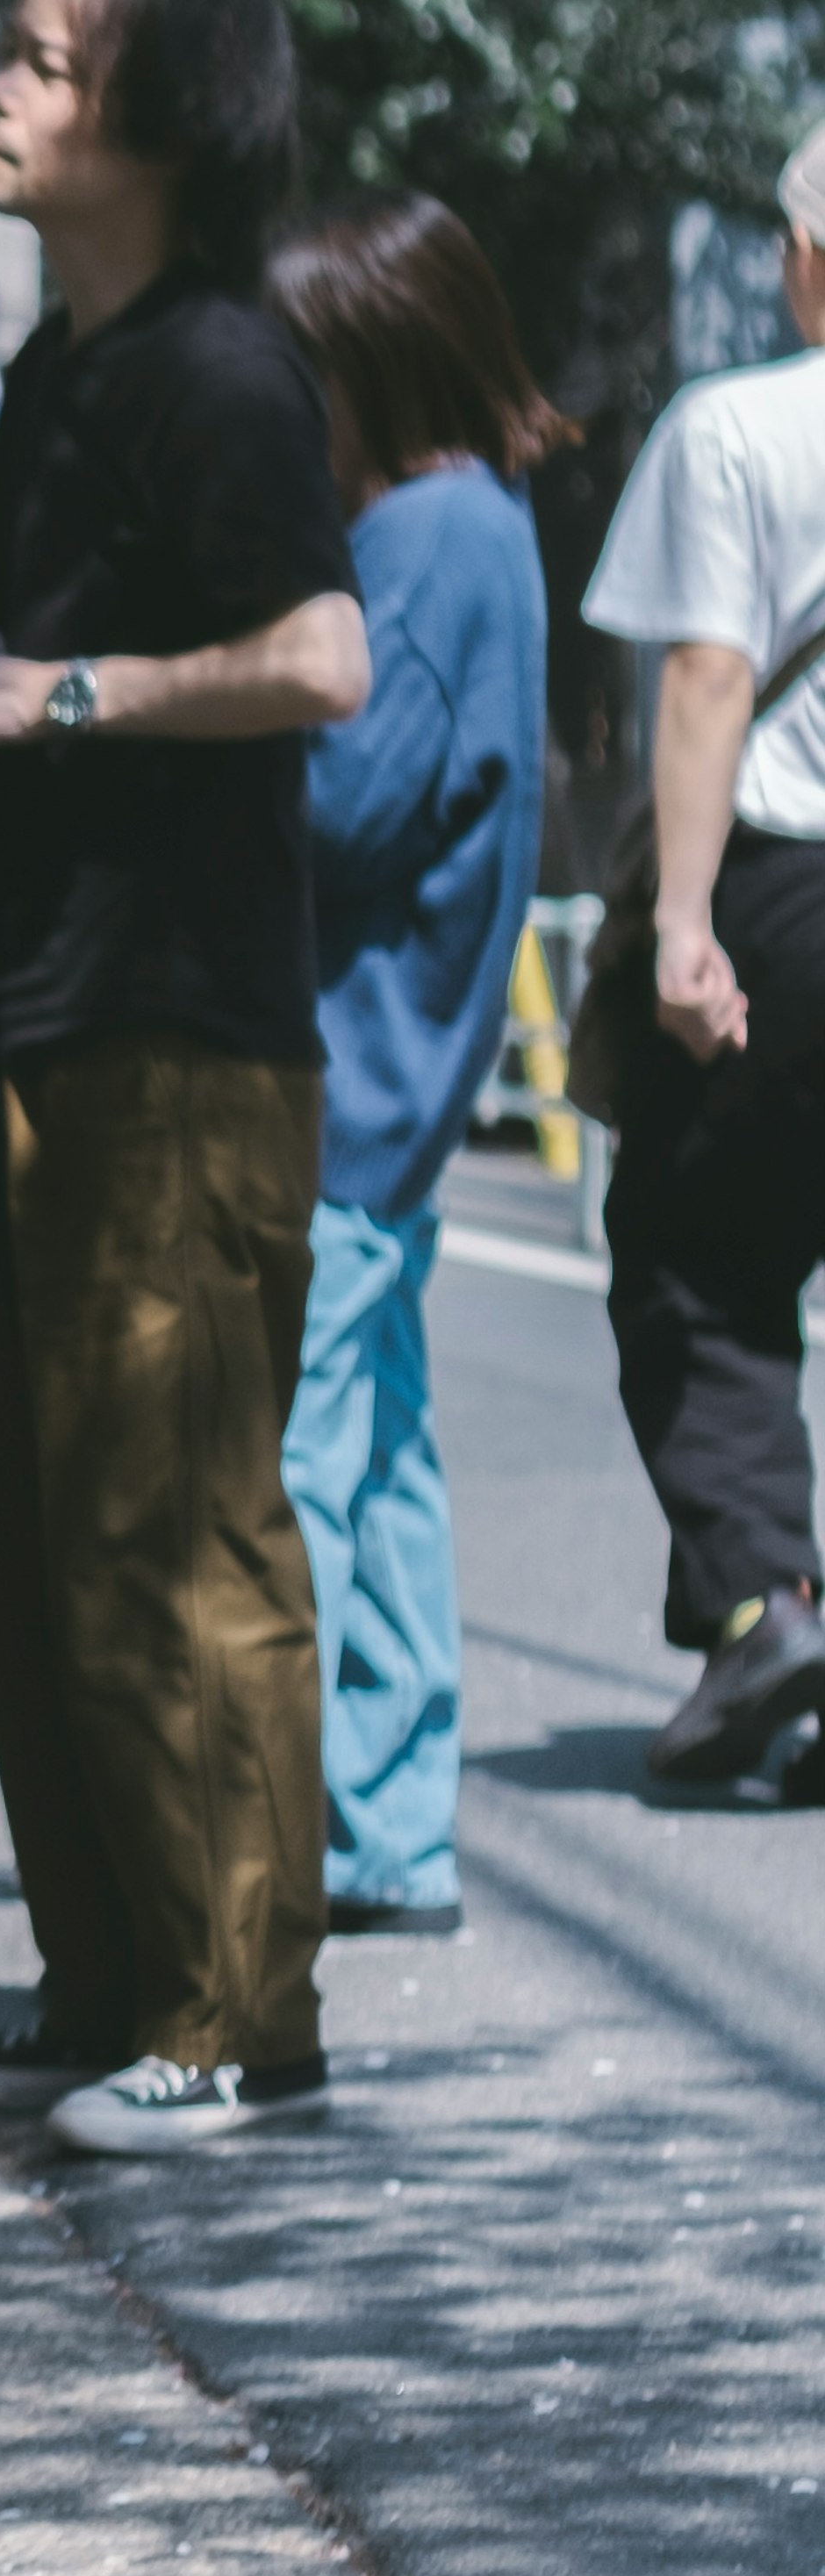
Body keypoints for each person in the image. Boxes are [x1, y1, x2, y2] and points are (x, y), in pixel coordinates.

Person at [0, 0, 369, 2155]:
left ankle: (236, 2018)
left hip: (183, 1026)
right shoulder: (53, 374)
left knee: (178, 1527)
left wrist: (53, 693)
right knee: (39, 1530)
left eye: (38, 64)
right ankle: (106, 1982)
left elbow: (317, 656)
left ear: (159, 118)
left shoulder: (214, 366)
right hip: (58, 1014)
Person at [264, 192, 562, 1925]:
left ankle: (270, 1822)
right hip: (399, 1070)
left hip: (340, 1064)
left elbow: (343, 802)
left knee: (284, 1472)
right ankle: (383, 1830)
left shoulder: (428, 538)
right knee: (374, 1461)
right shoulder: (480, 521)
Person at [578, 115, 825, 1787]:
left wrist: (678, 920)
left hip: (788, 889)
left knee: (699, 1257)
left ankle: (764, 1607)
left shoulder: (738, 425)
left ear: (808, 253)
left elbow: (706, 683)